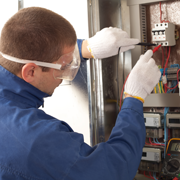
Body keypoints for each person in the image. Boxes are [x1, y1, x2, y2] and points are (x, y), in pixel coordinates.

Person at [0, 7, 161, 180]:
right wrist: (133, 98)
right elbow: (112, 171)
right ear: (30, 72)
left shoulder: (11, 58)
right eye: (64, 68)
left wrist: (86, 48)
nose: (66, 76)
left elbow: (34, 49)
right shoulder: (34, 141)